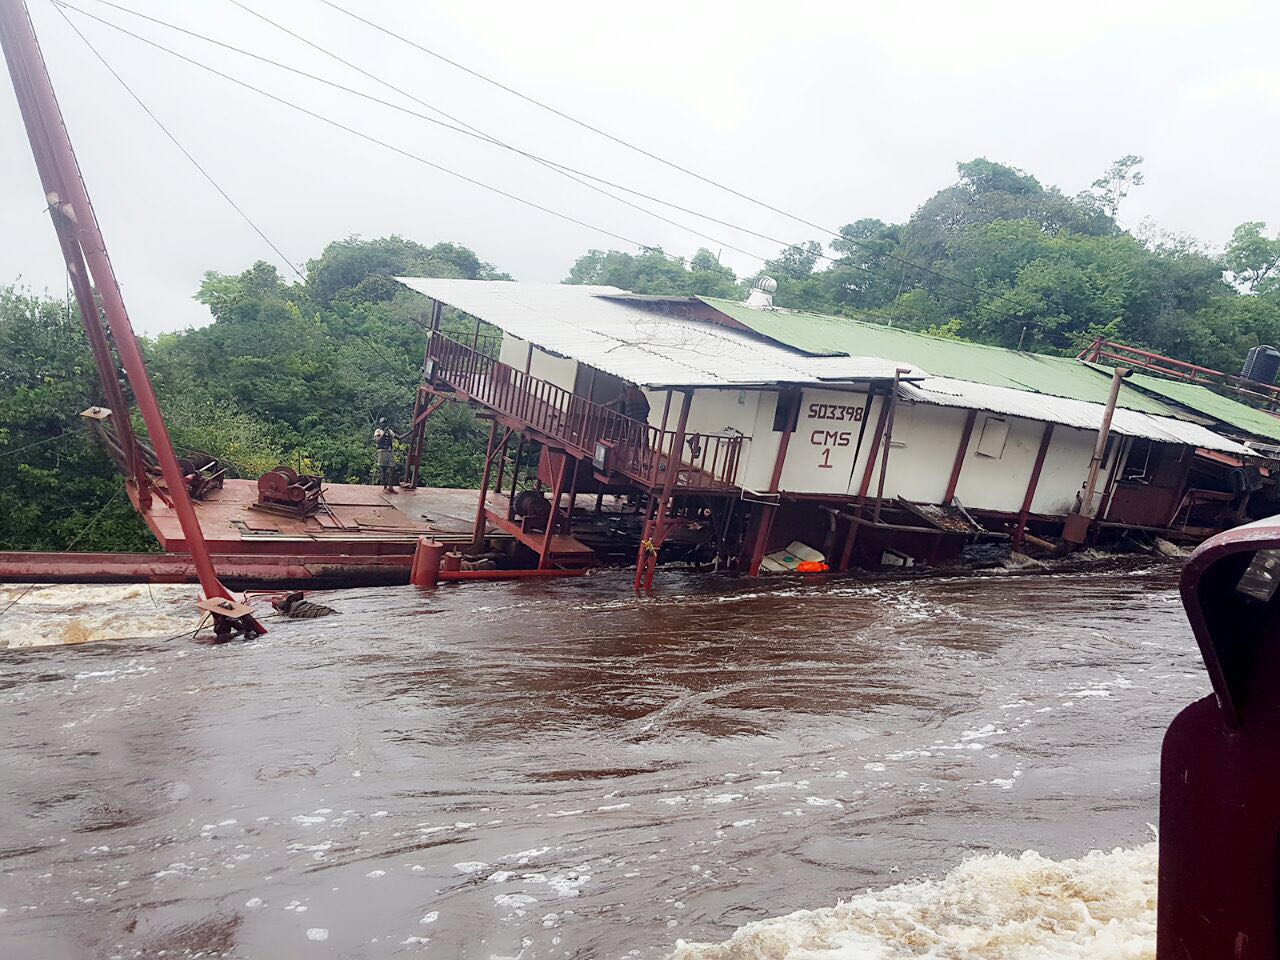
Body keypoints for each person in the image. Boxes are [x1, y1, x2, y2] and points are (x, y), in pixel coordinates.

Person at [373, 417, 398, 493]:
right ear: (380, 424)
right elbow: (378, 441)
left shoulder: (389, 431)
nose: (384, 424)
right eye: (383, 422)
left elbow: (398, 437)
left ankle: (390, 487)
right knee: (383, 470)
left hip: (389, 451)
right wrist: (384, 433)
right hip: (381, 451)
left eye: (385, 422)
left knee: (392, 468)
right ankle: (384, 488)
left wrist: (409, 433)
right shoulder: (378, 431)